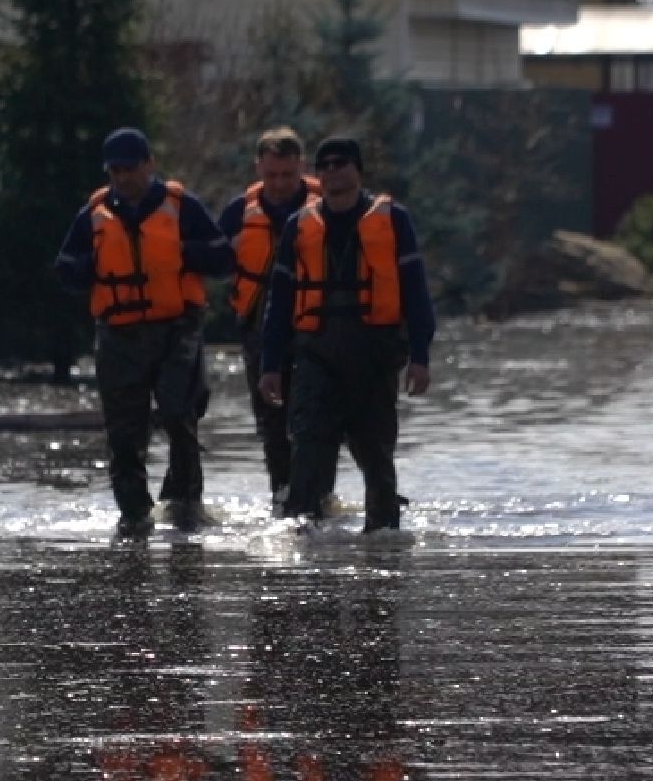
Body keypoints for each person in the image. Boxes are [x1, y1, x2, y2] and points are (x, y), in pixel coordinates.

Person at [56, 127, 233, 534]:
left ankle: (185, 504)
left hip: (177, 328)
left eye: (129, 168)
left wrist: (181, 255)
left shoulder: (180, 206)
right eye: (114, 170)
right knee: (124, 431)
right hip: (118, 335)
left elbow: (224, 258)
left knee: (177, 413)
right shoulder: (95, 213)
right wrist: (92, 267)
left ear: (148, 165)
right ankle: (134, 515)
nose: (122, 177)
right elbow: (65, 268)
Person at [257, 137, 435, 532]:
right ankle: (302, 547)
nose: (334, 170)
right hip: (315, 357)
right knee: (306, 449)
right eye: (326, 165)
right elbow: (280, 302)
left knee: (375, 455)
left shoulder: (392, 221)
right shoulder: (299, 226)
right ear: (317, 174)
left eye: (342, 163)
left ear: (358, 170)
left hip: (374, 356)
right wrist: (270, 364)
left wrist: (421, 356)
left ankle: (384, 544)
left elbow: (416, 294)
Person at [215, 127, 321, 511]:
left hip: (316, 323)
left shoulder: (327, 204)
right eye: (271, 175)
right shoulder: (239, 212)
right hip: (260, 323)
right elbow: (207, 260)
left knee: (316, 418)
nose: (279, 184)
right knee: (271, 418)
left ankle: (314, 496)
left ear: (302, 169)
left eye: (288, 176)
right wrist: (230, 252)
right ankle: (283, 496)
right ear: (258, 167)